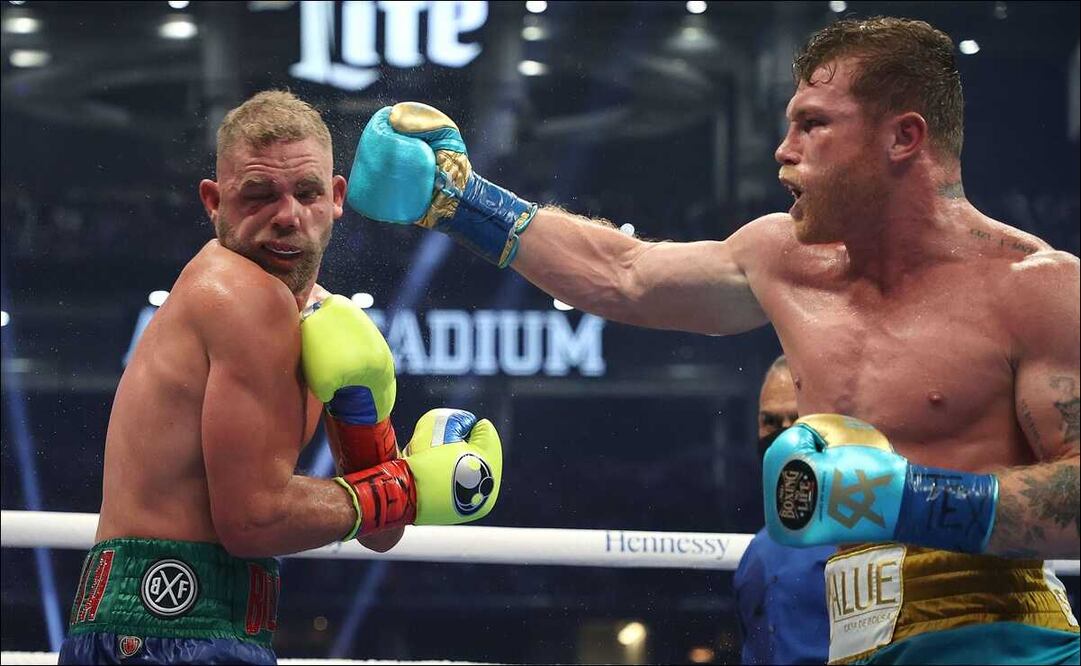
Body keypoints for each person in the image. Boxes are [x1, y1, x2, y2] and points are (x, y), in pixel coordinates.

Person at [347, 16, 1079, 665]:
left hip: (998, 639)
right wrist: (460, 197)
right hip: (851, 643)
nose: (782, 151)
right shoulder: (783, 257)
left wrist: (905, 498)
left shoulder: (1034, 287)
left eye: (813, 124)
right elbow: (625, 275)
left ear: (902, 137)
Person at [58, 90, 503, 665]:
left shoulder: (320, 320)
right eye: (260, 195)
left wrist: (390, 468)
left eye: (307, 192)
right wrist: (410, 487)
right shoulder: (243, 296)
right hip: (167, 632)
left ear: (337, 197)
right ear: (214, 202)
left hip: (180, 631)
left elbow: (377, 531)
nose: (288, 215)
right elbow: (254, 519)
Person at [734, 356, 832, 665]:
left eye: (798, 421)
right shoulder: (758, 550)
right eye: (771, 422)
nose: (785, 436)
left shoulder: (863, 535)